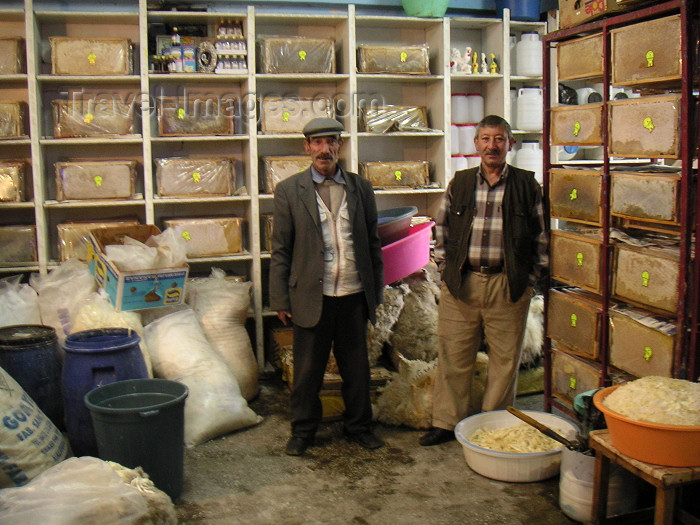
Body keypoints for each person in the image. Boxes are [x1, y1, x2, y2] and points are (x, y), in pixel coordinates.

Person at [420, 115, 548, 446]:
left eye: (500, 139)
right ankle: (446, 422)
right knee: (453, 355)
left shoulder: (527, 185)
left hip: (508, 284)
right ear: (476, 144)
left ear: (510, 144)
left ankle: (494, 427)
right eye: (486, 139)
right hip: (462, 283)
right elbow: (441, 229)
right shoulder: (460, 183)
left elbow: (542, 239)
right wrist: (445, 269)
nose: (492, 146)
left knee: (505, 362)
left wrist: (530, 281)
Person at [269, 117, 385, 456]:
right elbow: (281, 249)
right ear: (306, 147)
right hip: (311, 295)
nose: (325, 149)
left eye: (331, 141)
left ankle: (359, 426)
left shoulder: (360, 188)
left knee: (357, 369)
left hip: (352, 294)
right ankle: (303, 431)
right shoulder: (289, 190)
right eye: (317, 143)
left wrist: (374, 294)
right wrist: (280, 298)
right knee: (307, 373)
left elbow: (372, 244)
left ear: (340, 145)